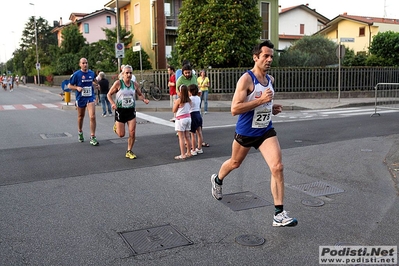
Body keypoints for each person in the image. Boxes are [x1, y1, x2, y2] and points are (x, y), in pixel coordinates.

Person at [210, 40, 298, 227]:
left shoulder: (270, 80)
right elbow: (235, 108)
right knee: (235, 163)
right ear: (255, 57)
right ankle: (217, 180)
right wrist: (261, 102)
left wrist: (271, 107)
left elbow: (262, 102)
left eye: (271, 56)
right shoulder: (246, 79)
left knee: (278, 167)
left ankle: (279, 213)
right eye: (265, 55)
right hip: (246, 132)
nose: (269, 59)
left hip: (265, 130)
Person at [107, 65, 149, 159]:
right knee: (121, 135)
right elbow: (109, 94)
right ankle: (116, 127)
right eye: (127, 73)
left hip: (131, 110)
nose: (129, 75)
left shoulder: (134, 84)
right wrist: (113, 103)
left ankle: (129, 150)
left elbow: (139, 94)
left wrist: (144, 100)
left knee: (132, 132)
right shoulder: (118, 83)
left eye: (130, 73)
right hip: (121, 111)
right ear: (123, 74)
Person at [67, 58, 99, 146]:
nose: (85, 64)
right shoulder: (76, 74)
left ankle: (93, 137)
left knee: (92, 116)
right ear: (80, 64)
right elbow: (69, 85)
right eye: (83, 63)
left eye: (86, 63)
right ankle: (80, 132)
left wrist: (97, 85)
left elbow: (94, 81)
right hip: (81, 98)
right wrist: (77, 88)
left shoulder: (91, 73)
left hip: (90, 97)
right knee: (81, 116)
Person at [172, 84, 192, 160]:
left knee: (181, 137)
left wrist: (175, 103)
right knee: (187, 136)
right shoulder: (189, 100)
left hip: (180, 120)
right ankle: (189, 152)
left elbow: (174, 110)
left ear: (180, 92)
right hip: (188, 118)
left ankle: (183, 154)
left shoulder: (179, 100)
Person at [188, 84, 203, 156]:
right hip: (198, 114)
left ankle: (193, 149)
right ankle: (199, 148)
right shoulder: (198, 98)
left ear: (190, 91)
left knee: (192, 134)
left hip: (192, 115)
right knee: (199, 133)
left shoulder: (190, 99)